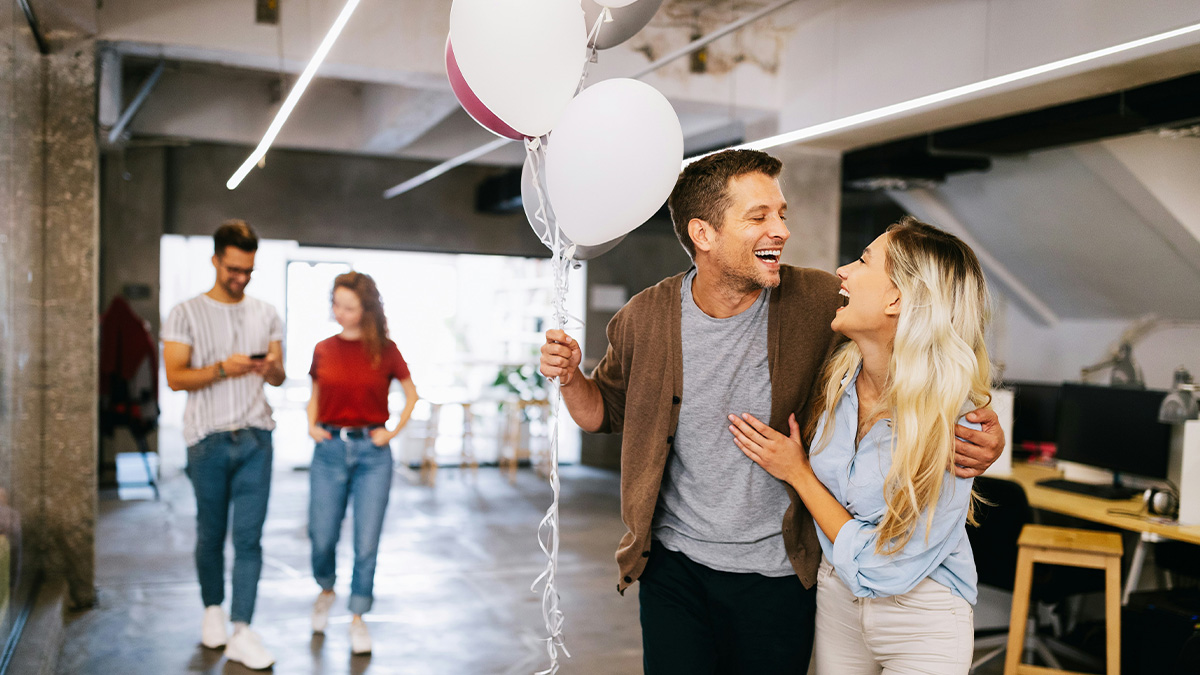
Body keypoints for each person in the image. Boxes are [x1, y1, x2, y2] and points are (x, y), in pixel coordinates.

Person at [538, 149, 1005, 673]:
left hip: (781, 572)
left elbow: (927, 329)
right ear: (704, 233)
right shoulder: (644, 317)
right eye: (758, 217)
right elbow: (602, 413)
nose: (780, 229)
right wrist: (571, 378)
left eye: (782, 214)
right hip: (674, 567)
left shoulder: (822, 301)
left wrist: (981, 425)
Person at [728, 217, 992, 674]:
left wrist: (797, 473)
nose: (843, 272)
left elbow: (882, 569)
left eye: (864, 260)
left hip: (922, 616)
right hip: (838, 599)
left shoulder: (953, 419)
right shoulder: (838, 380)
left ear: (897, 298)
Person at [162, 220, 284, 670]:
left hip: (256, 437)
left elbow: (280, 374)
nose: (241, 277)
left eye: (248, 270)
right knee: (211, 533)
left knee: (249, 539)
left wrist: (268, 368)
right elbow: (175, 378)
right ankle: (212, 609)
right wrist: (221, 370)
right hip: (206, 440)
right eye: (234, 268)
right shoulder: (184, 313)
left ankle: (242, 629)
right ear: (216, 260)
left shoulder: (266, 312)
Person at [306, 271, 418, 655]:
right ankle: (325, 588)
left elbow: (412, 395)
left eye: (349, 307)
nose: (340, 313)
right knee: (322, 535)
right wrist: (311, 425)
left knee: (366, 542)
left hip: (373, 454)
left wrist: (392, 431)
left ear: (366, 309)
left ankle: (357, 616)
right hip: (329, 451)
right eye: (336, 304)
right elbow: (316, 393)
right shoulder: (323, 348)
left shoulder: (385, 349)